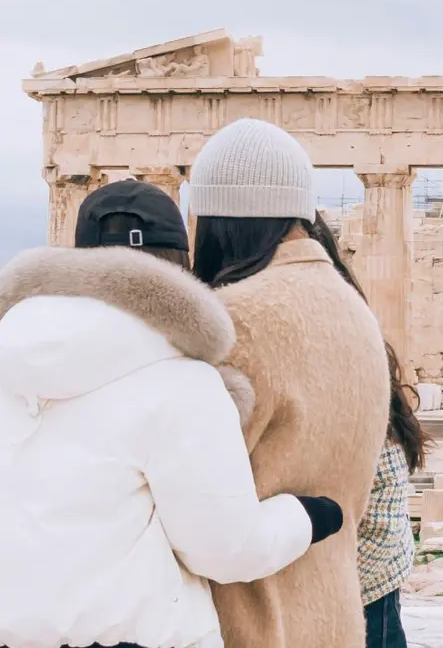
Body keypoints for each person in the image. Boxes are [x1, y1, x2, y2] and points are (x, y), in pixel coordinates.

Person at [0, 179, 343, 648]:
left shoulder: (10, 361)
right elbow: (224, 549)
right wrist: (307, 515)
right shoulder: (183, 384)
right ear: (181, 269)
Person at [189, 119, 391, 648]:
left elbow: (189, 508)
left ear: (218, 219)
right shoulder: (358, 316)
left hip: (251, 626)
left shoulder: (236, 322)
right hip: (334, 620)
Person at [308, 212, 434, 648]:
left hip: (352, 593)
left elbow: (380, 508)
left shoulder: (346, 344)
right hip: (363, 585)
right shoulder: (356, 335)